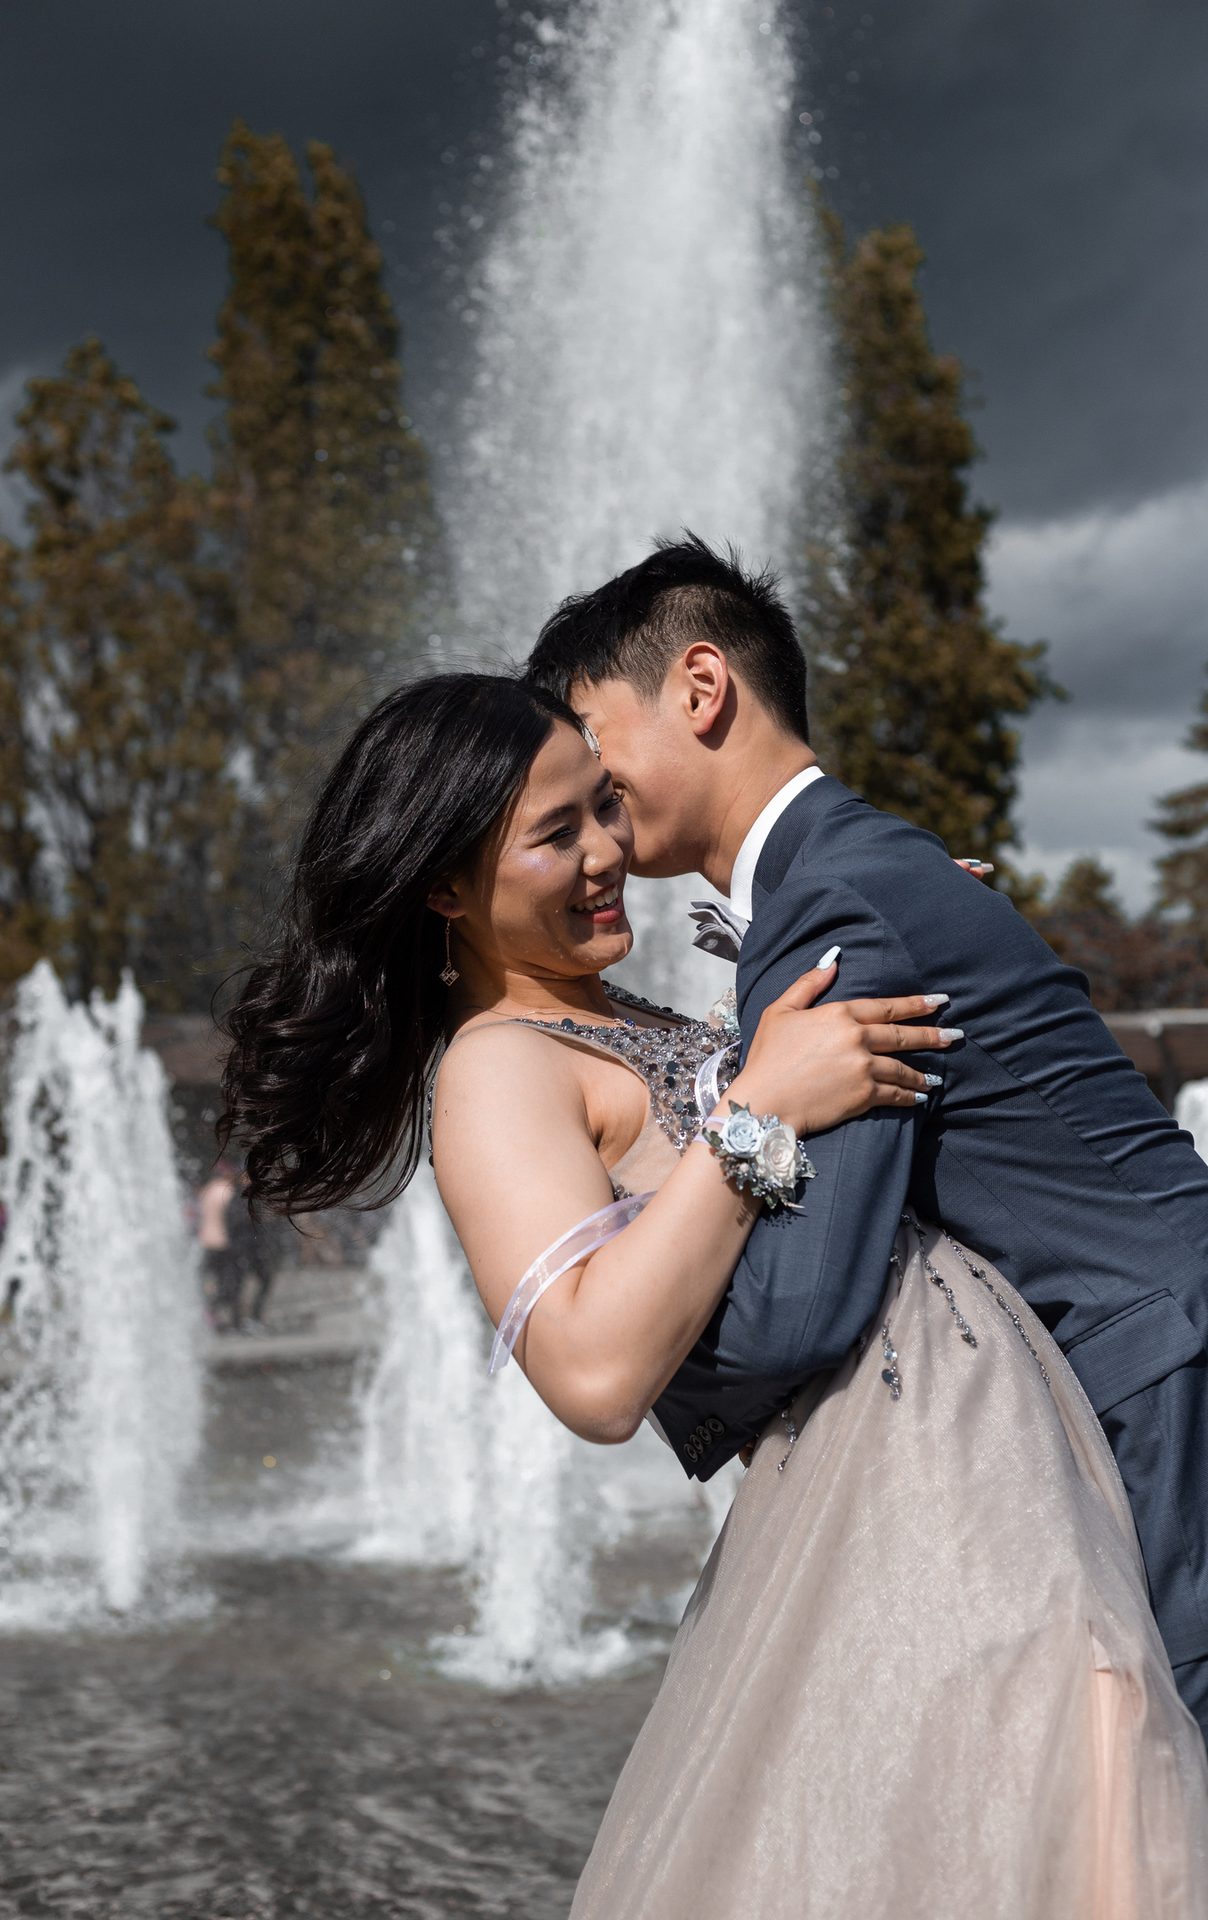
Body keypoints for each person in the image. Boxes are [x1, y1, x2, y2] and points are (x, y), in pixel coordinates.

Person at [218, 671, 1207, 1912]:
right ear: (443, 890)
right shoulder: (494, 1070)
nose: (606, 854)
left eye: (601, 806)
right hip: (903, 1505)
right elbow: (592, 1374)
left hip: (995, 1451)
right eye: (555, 834)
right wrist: (759, 1106)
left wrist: (917, 932)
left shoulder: (616, 1017)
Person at [526, 532, 1208, 1753]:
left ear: (699, 686)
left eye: (591, 732)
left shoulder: (830, 899)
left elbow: (798, 1312)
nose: (587, 783)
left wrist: (619, 1329)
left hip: (1157, 1390)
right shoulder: (864, 865)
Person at [197, 1158, 242, 1332]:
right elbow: (234, 1217)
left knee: (214, 1281)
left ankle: (212, 1315)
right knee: (229, 1282)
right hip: (223, 1242)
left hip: (206, 1241)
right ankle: (220, 1315)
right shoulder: (227, 1191)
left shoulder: (207, 1190)